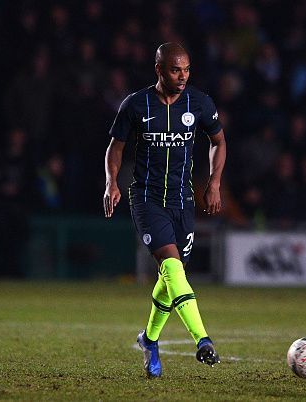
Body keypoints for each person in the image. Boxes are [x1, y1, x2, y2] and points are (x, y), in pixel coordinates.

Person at [103, 43, 226, 378]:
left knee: (170, 279)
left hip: (183, 202)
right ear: (159, 69)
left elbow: (218, 141)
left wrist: (214, 183)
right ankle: (202, 340)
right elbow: (116, 147)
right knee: (173, 269)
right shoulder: (135, 104)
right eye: (175, 70)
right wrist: (111, 182)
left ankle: (149, 339)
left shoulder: (199, 103)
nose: (183, 76)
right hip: (146, 199)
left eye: (187, 69)